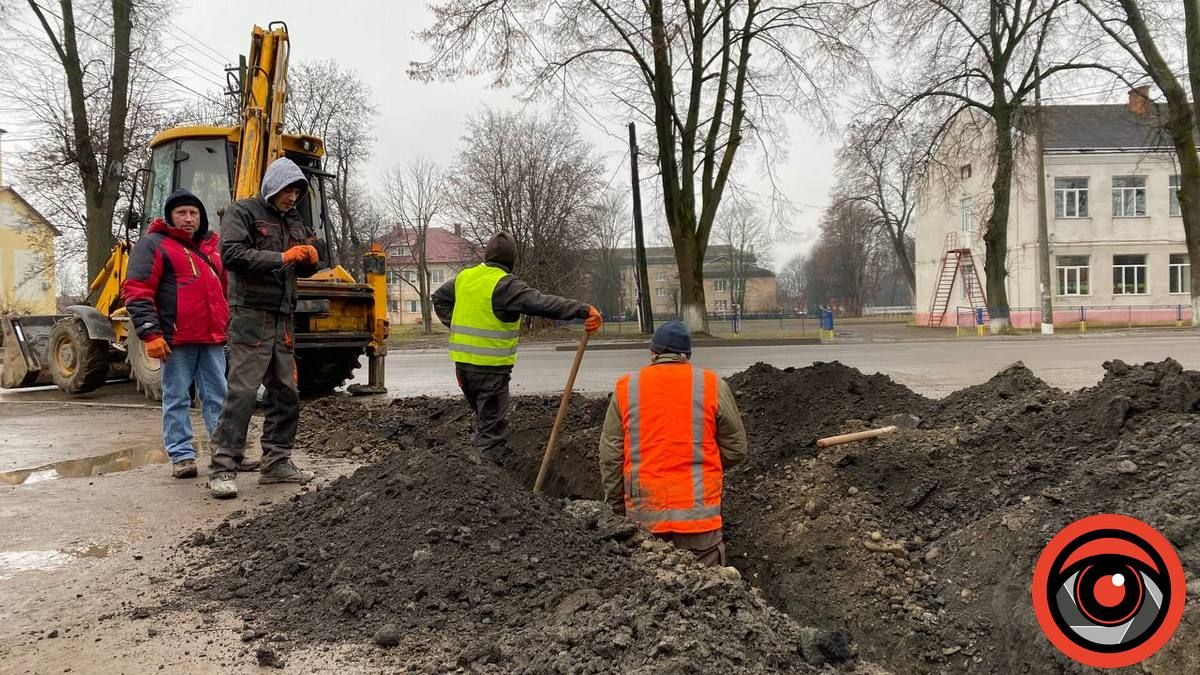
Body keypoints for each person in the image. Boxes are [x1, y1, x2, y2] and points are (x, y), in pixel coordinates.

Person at [432, 232, 603, 463]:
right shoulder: (504, 285)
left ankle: (478, 468)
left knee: (485, 420)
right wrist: (582, 310)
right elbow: (540, 302)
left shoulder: (465, 277)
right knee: (491, 432)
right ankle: (486, 482)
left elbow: (439, 298)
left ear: (486, 254)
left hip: (463, 368)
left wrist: (453, 323)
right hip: (490, 371)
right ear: (512, 260)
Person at [208, 157, 320, 499]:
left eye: (297, 192)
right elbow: (231, 255)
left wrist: (309, 262)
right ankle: (223, 467)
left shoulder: (295, 221)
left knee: (286, 392)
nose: (292, 197)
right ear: (273, 185)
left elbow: (299, 268)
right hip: (250, 315)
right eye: (288, 190)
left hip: (283, 316)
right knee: (242, 392)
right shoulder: (242, 212)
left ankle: (276, 461)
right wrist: (284, 257)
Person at [598, 320, 747, 567]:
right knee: (710, 593)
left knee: (649, 591)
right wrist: (703, 467)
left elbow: (611, 455)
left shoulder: (626, 388)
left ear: (653, 353)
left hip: (644, 519)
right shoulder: (712, 385)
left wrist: (615, 508)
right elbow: (737, 449)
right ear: (686, 355)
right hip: (699, 521)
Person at [123, 189, 231, 479]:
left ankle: (223, 454)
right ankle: (182, 455)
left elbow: (225, 290)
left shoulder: (212, 248)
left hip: (211, 338)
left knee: (218, 397)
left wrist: (228, 324)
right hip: (176, 339)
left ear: (201, 217)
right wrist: (150, 333)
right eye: (181, 212)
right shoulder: (154, 245)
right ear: (170, 216)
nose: (188, 218)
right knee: (177, 397)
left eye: (193, 213)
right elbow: (137, 290)